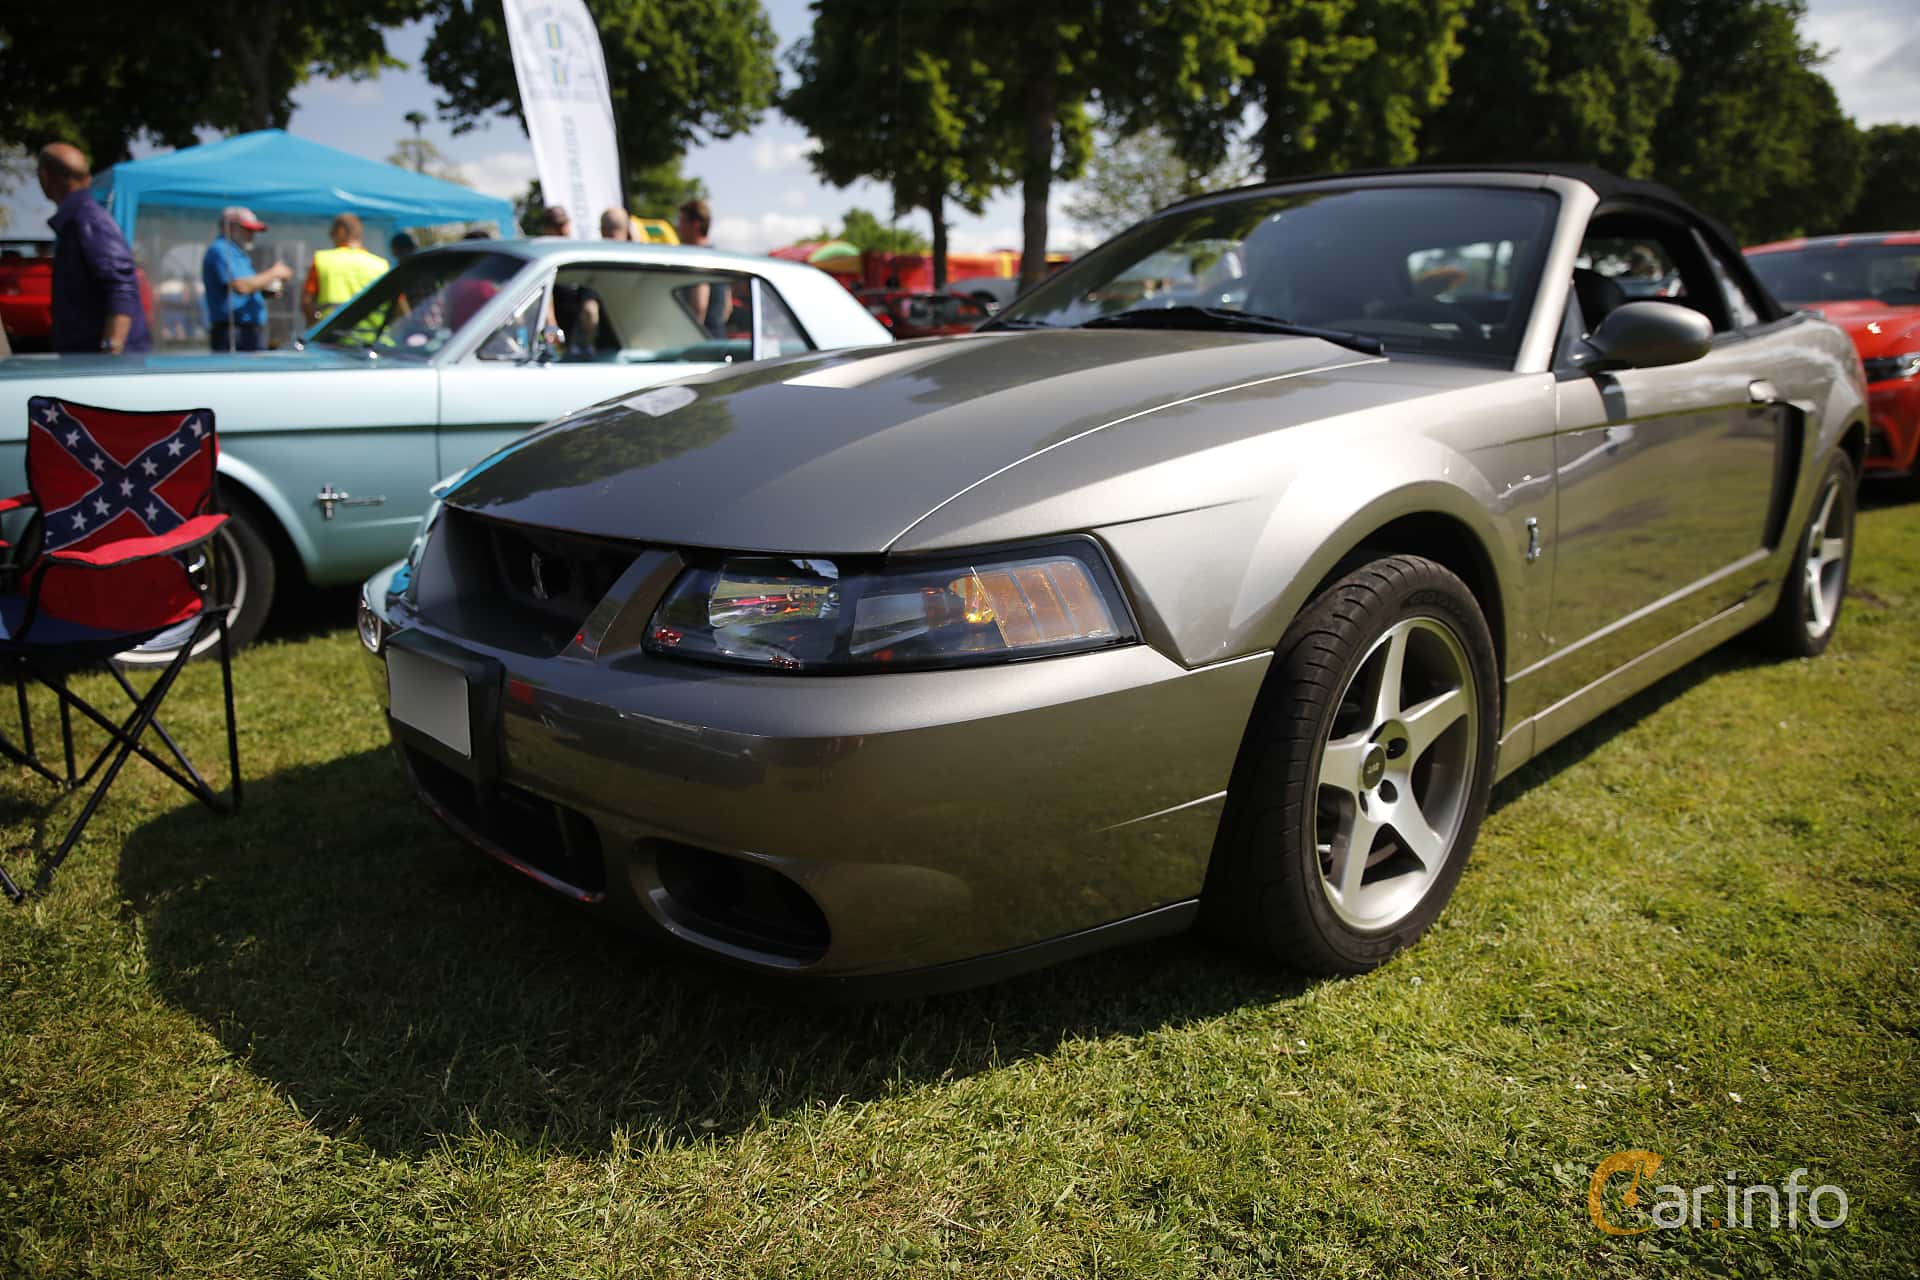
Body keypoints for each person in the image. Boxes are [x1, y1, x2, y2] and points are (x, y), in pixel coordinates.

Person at [37, 142, 149, 355]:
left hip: (104, 366)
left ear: (45, 176)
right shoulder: (80, 219)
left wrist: (111, 349)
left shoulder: (88, 220)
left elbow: (120, 286)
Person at [203, 207, 291, 352]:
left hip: (246, 332)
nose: (252, 235)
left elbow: (242, 288)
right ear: (230, 227)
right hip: (233, 333)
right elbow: (241, 286)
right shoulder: (221, 250)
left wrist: (263, 292)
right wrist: (274, 273)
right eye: (248, 230)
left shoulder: (236, 252)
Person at [300, 213, 389, 324]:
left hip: (332, 336)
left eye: (332, 233)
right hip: (373, 337)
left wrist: (315, 324)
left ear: (340, 231)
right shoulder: (382, 265)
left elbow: (306, 302)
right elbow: (398, 307)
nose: (330, 236)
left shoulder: (322, 260)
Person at [676, 197, 732, 338]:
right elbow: (727, 307)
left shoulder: (697, 258)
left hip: (700, 346)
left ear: (695, 224)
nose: (678, 227)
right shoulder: (718, 257)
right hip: (718, 340)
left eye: (682, 221)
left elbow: (699, 304)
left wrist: (691, 338)